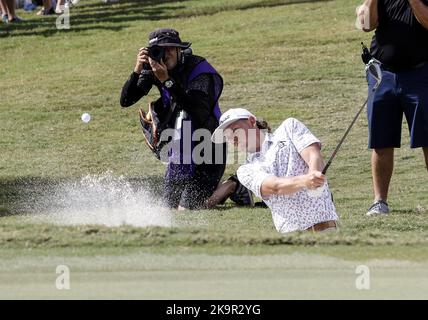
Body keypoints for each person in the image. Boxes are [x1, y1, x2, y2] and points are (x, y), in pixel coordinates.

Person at [120, 28, 252, 210]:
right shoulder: (154, 67)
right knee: (169, 207)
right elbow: (126, 101)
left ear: (178, 50)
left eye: (169, 49)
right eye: (159, 50)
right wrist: (137, 70)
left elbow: (197, 111)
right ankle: (223, 188)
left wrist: (166, 80)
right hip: (180, 151)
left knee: (186, 210)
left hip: (209, 147)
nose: (165, 55)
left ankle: (232, 185)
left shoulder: (199, 70)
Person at [211, 108, 339, 233]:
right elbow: (274, 187)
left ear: (251, 121)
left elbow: (313, 155)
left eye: (235, 131)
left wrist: (314, 175)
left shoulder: (289, 127)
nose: (233, 139)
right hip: (292, 240)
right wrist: (305, 181)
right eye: (227, 137)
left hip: (326, 230)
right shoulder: (245, 171)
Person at [357, 0, 428, 215]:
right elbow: (366, 24)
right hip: (383, 74)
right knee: (381, 140)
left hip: (421, 73)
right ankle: (379, 202)